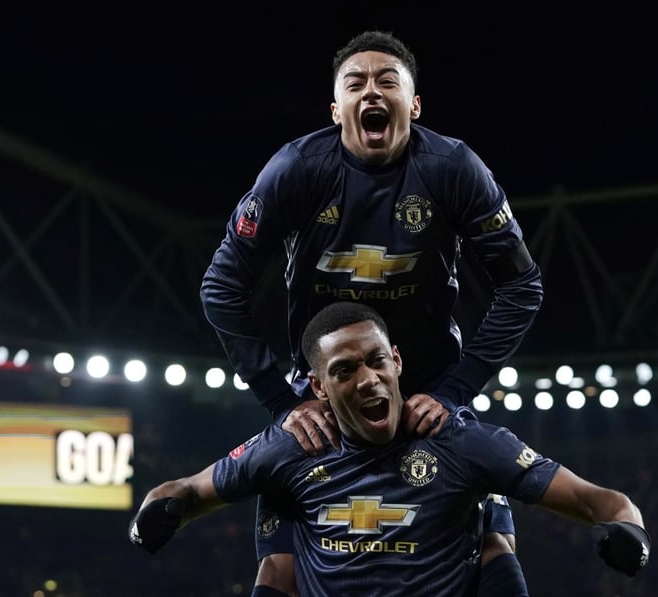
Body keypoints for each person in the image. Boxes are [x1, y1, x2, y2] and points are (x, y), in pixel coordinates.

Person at [200, 30, 544, 595]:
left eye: (388, 81)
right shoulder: (296, 169)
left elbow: (522, 284)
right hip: (324, 400)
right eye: (355, 83)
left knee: (494, 544)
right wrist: (283, 403)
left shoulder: (452, 168)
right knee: (278, 565)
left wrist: (457, 389)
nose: (371, 92)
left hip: (429, 389)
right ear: (336, 110)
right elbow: (221, 286)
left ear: (414, 104)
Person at [131, 302, 650, 596]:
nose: (368, 380)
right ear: (318, 388)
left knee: (497, 542)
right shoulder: (291, 447)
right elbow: (184, 491)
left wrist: (629, 532)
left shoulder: (459, 440)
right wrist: (156, 515)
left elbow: (599, 500)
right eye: (345, 370)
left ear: (397, 361)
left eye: (377, 361)